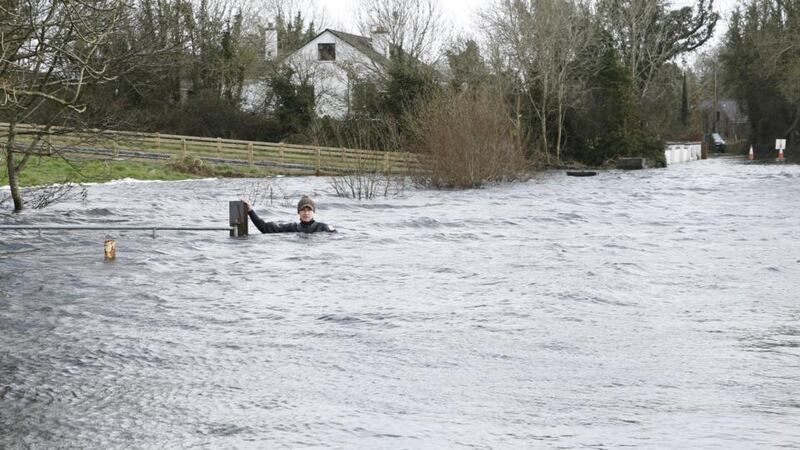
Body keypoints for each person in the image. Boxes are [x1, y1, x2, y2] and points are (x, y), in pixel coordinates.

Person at [244, 195, 336, 233]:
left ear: (314, 212)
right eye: (303, 210)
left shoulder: (323, 228)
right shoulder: (292, 228)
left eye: (309, 210)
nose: (306, 213)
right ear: (298, 212)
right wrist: (250, 211)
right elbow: (265, 228)